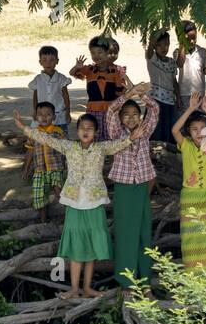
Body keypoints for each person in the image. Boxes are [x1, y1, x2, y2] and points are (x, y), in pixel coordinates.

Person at [13, 108, 147, 299]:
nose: (86, 131)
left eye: (90, 128)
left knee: (91, 247)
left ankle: (87, 288)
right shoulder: (69, 147)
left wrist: (132, 138)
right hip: (75, 203)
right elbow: (47, 139)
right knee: (76, 247)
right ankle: (74, 289)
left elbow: (119, 144)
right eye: (82, 128)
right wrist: (23, 127)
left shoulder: (101, 148)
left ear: (96, 132)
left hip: (94, 203)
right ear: (77, 131)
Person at [104, 83, 160, 288]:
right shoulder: (116, 133)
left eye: (135, 114)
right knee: (126, 233)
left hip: (142, 187)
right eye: (126, 115)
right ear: (120, 119)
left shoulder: (145, 131)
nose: (131, 118)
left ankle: (145, 283)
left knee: (144, 232)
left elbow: (154, 110)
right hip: (124, 188)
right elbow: (110, 110)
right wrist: (128, 94)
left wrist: (142, 95)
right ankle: (126, 284)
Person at [171, 92, 206, 270]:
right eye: (194, 129)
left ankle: (203, 273)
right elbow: (174, 130)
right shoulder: (186, 145)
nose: (198, 132)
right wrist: (190, 109)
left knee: (204, 236)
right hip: (189, 196)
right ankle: (190, 274)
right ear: (188, 131)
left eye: (203, 129)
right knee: (190, 236)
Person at [70, 36, 128, 140]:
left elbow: (121, 92)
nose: (96, 56)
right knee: (94, 134)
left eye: (100, 52)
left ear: (107, 53)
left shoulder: (115, 72)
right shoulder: (89, 70)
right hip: (93, 110)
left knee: (110, 135)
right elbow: (72, 73)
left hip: (110, 110)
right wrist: (77, 67)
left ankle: (110, 156)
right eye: (93, 53)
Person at [23, 101, 65, 220]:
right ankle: (43, 222)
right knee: (40, 198)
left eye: (48, 114)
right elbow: (30, 151)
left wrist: (66, 165)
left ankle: (68, 218)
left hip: (56, 168)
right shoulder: (33, 133)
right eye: (40, 114)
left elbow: (65, 150)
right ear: (36, 117)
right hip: (39, 171)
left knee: (59, 192)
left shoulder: (58, 132)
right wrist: (26, 170)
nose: (44, 117)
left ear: (54, 116)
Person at [145, 31, 179, 145]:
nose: (163, 48)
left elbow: (174, 81)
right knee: (155, 129)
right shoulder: (152, 58)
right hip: (156, 100)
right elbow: (149, 51)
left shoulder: (171, 62)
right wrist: (154, 38)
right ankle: (153, 155)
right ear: (154, 45)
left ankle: (166, 155)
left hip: (170, 101)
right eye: (159, 45)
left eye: (166, 44)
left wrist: (178, 98)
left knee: (168, 128)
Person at [28, 46, 72, 129]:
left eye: (52, 60)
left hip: (59, 114)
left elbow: (66, 97)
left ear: (57, 61)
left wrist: (68, 112)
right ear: (40, 62)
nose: (48, 63)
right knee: (40, 137)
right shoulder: (38, 79)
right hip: (42, 115)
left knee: (60, 136)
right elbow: (35, 97)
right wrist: (35, 111)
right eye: (44, 60)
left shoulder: (62, 78)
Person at [176, 22, 206, 109]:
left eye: (193, 37)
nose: (191, 41)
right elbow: (180, 63)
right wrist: (182, 45)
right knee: (187, 119)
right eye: (187, 38)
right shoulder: (177, 52)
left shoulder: (202, 51)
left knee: (199, 119)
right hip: (184, 93)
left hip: (199, 93)